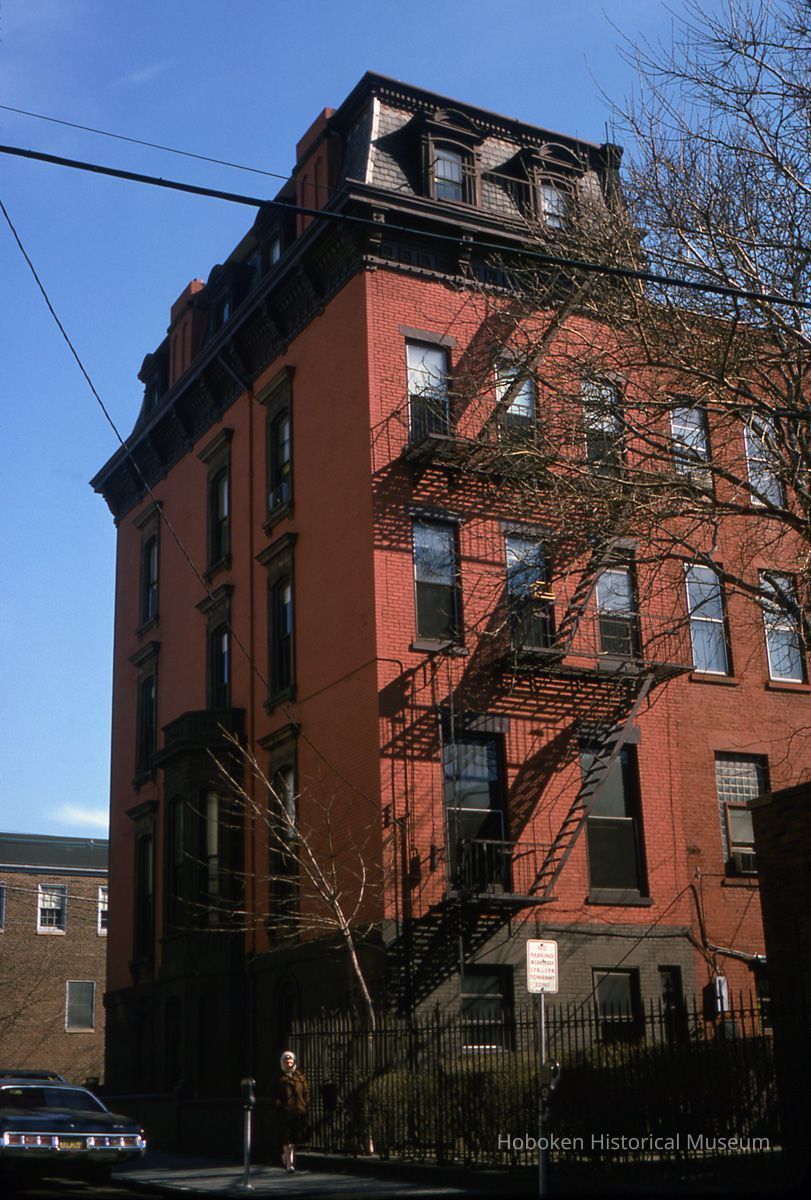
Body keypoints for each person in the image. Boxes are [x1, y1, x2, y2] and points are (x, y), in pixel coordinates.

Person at [275, 1049, 309, 1174]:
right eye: (286, 1061)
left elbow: (306, 1091)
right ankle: (290, 1164)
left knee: (294, 1138)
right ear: (282, 1063)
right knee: (287, 1138)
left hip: (298, 1112)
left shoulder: (300, 1076)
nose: (288, 1063)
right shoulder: (278, 1078)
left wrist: (304, 1104)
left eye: (290, 1061)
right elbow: (273, 1094)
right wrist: (279, 1106)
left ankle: (287, 1156)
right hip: (285, 1112)